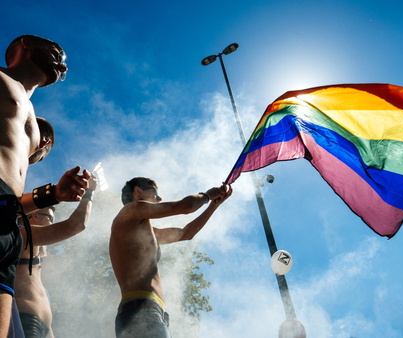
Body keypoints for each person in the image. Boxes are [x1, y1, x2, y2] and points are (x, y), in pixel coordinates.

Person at [0, 34, 88, 338]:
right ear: (26, 45)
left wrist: (54, 193)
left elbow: (7, 197)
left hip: (6, 227)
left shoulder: (33, 124)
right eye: (55, 51)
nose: (62, 62)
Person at [110, 178, 232, 338]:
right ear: (138, 192)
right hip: (140, 312)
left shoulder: (142, 229)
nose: (159, 198)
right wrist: (207, 195)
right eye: (155, 193)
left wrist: (212, 206)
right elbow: (186, 206)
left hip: (147, 312)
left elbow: (186, 233)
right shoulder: (129, 212)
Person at [14, 175, 97, 338]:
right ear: (35, 216)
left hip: (41, 326)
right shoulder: (21, 235)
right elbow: (76, 225)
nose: (52, 223)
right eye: (50, 218)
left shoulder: (37, 252)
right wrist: (90, 192)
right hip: (26, 322)